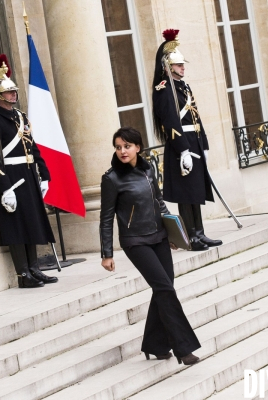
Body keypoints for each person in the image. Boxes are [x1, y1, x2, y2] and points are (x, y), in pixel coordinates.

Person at [99, 127, 201, 365]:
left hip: (159, 236)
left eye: (127, 146)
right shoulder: (111, 178)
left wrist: (174, 233)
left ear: (138, 147)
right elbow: (106, 218)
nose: (122, 151)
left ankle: (155, 345)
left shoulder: (148, 170)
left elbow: (159, 203)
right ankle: (183, 348)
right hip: (135, 241)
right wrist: (107, 253)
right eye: (118, 147)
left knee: (164, 287)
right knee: (165, 289)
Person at [0, 58, 57, 288]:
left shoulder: (20, 116)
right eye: (8, 92)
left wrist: (44, 175)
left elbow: (32, 147)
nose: (13, 95)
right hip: (11, 178)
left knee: (32, 221)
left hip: (28, 173)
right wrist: (3, 188)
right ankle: (23, 274)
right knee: (17, 225)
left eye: (14, 91)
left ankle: (34, 268)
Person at [151, 29, 222, 251]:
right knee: (186, 193)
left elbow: (196, 117)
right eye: (178, 65)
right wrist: (183, 150)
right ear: (167, 66)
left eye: (183, 64)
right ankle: (191, 236)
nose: (183, 67)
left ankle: (200, 232)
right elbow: (170, 123)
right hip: (181, 146)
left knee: (196, 191)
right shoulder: (163, 90)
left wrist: (205, 144)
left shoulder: (184, 87)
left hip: (195, 143)